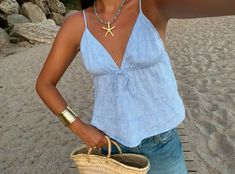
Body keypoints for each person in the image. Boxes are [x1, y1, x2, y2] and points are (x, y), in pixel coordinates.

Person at [35, 0, 235, 173]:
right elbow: (45, 84)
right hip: (110, 144)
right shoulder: (77, 24)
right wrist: (79, 128)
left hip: (162, 141)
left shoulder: (150, 6)